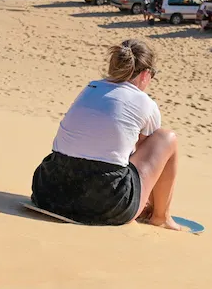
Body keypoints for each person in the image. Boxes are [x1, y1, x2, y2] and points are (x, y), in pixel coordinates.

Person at [30, 39, 184, 230]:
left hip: (47, 191)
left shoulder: (90, 88)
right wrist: (143, 202)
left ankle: (150, 209)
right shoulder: (144, 102)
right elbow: (144, 157)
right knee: (166, 138)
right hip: (105, 204)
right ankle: (161, 216)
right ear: (145, 74)